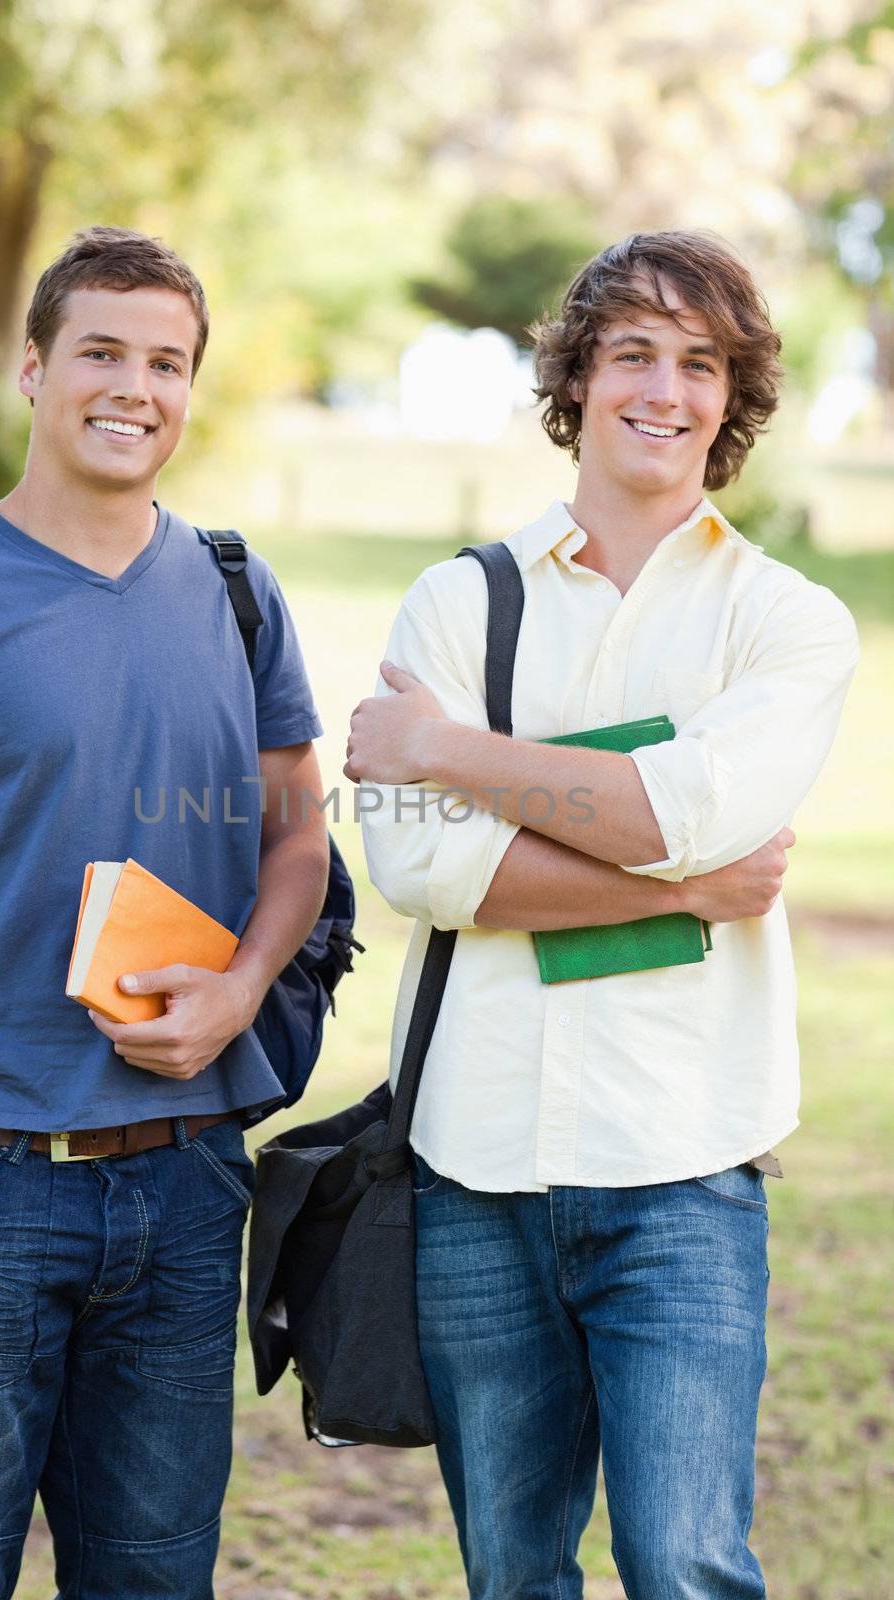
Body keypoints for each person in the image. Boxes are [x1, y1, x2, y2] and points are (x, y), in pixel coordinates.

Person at [344, 230, 858, 1600]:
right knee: (512, 1573)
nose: (665, 390)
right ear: (577, 379)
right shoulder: (459, 601)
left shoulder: (787, 621)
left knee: (683, 1562)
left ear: (732, 399)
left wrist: (451, 752)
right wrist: (684, 885)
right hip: (476, 1163)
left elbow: (692, 811)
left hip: (684, 1166)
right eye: (633, 352)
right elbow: (422, 876)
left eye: (703, 363)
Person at [0, 225, 329, 1600]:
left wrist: (239, 989)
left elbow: (300, 833)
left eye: (167, 362)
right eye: (103, 351)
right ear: (35, 367)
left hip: (185, 1186)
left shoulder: (235, 592)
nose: (136, 387)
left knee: (156, 1576)